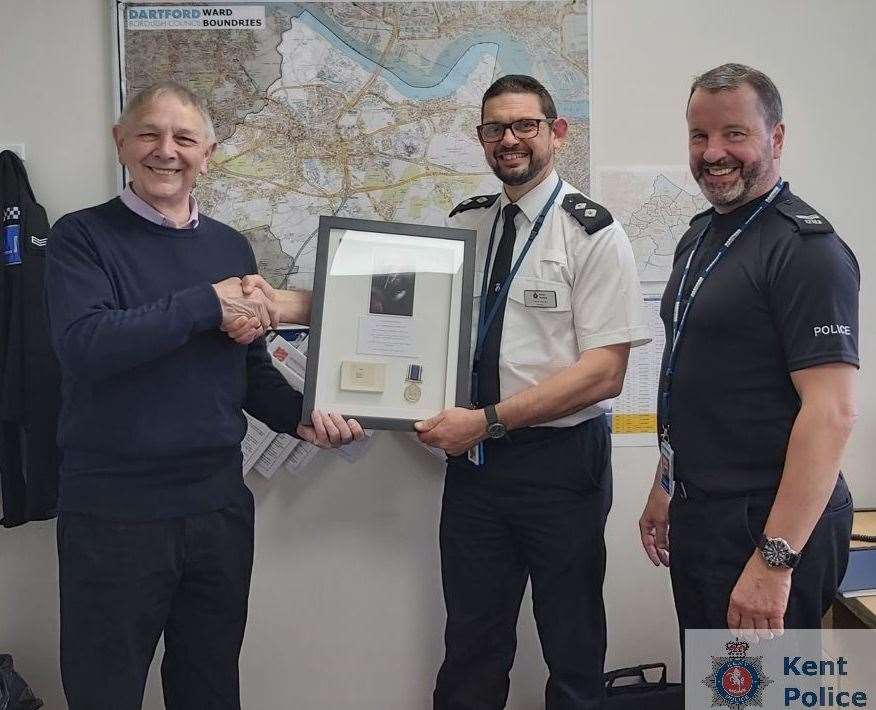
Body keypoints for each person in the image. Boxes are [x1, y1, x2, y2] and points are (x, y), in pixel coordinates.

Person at [45, 81, 363, 710]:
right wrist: (206, 303)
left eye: (184, 138)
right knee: (104, 691)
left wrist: (307, 419)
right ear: (121, 143)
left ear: (207, 153)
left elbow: (244, 370)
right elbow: (86, 345)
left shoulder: (228, 247)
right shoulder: (80, 238)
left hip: (217, 510)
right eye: (149, 134)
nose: (167, 151)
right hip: (115, 515)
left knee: (209, 687)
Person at [416, 75, 650, 710]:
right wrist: (288, 304)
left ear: (557, 132)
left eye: (525, 125)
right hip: (477, 469)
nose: (509, 139)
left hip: (561, 465)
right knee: (471, 638)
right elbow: (403, 311)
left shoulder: (594, 233)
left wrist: (485, 421)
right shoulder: (464, 224)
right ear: (483, 140)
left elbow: (605, 372)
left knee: (572, 642)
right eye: (495, 129)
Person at [638, 63, 859, 640]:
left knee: (765, 697)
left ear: (776, 138)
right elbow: (700, 379)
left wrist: (775, 559)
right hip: (704, 512)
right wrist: (667, 483)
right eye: (699, 136)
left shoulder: (808, 250)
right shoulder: (702, 235)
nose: (713, 153)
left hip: (770, 523)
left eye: (734, 134)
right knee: (716, 692)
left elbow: (831, 413)